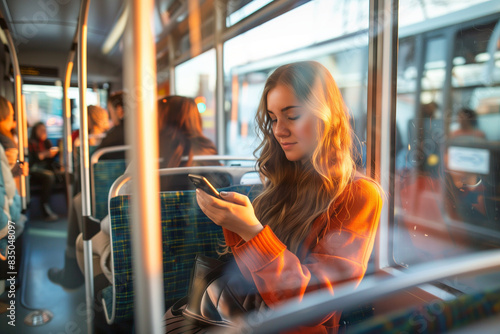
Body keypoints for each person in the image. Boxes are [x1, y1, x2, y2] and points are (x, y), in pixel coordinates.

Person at [165, 61, 383, 333]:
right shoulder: (282, 181)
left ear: (326, 117)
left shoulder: (359, 194)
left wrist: (250, 230)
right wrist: (238, 227)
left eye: (291, 117)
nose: (279, 130)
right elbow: (250, 278)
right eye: (273, 118)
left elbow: (314, 306)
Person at [50, 95, 220, 289]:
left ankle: (105, 304)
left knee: (84, 240)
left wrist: (101, 224)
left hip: (148, 266)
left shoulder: (146, 162)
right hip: (203, 262)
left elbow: (117, 221)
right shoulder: (213, 158)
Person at [28, 121, 61, 220]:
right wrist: (44, 154)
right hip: (34, 170)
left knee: (62, 174)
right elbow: (32, 160)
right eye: (40, 130)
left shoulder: (47, 142)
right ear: (35, 131)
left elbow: (51, 161)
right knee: (49, 176)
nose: (43, 132)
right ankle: (45, 207)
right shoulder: (30, 143)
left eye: (44, 130)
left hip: (46, 169)